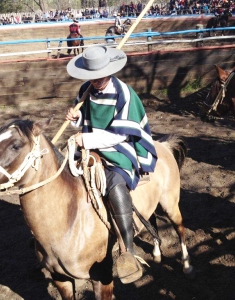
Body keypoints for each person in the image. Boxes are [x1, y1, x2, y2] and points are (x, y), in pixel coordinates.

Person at [65, 45, 157, 284]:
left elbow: (120, 134)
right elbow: (87, 119)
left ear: (109, 70)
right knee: (65, 175)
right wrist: (77, 120)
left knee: (115, 183)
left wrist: (84, 138)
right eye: (91, 76)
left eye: (99, 76)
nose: (95, 81)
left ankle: (128, 250)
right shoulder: (86, 89)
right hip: (90, 147)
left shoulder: (124, 94)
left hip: (118, 150)